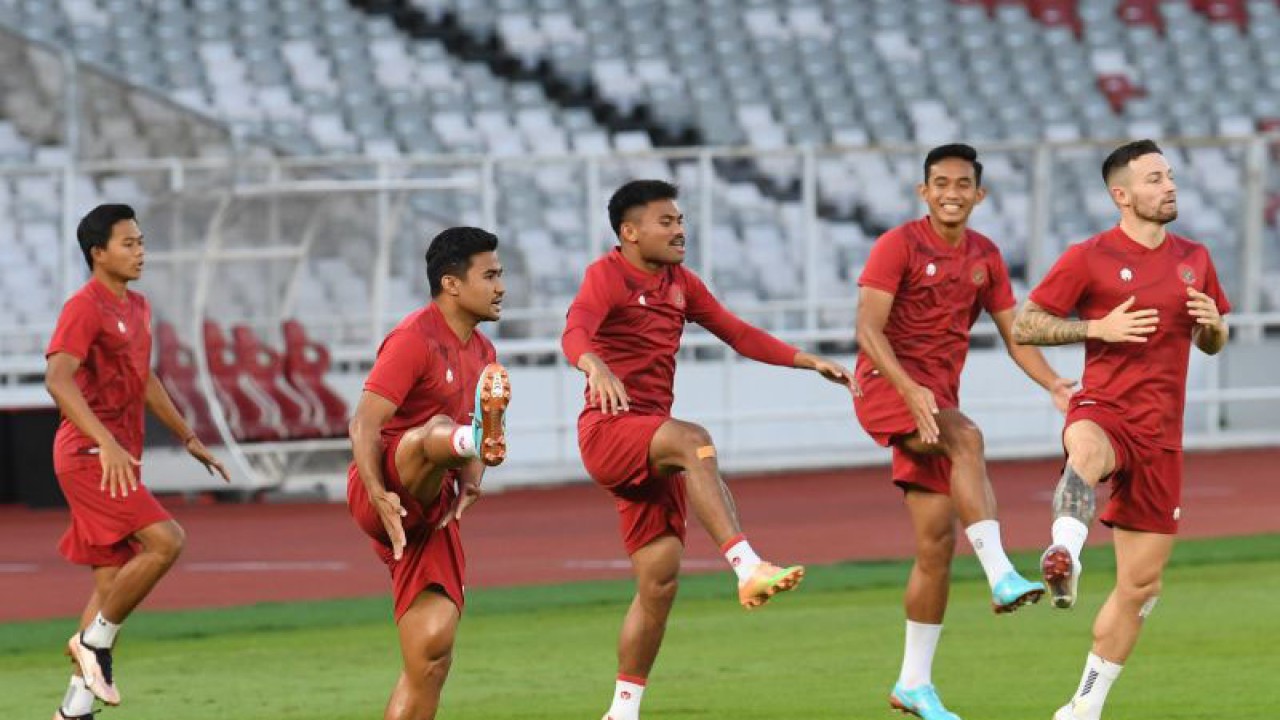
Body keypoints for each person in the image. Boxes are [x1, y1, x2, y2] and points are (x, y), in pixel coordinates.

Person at [561, 179, 855, 720]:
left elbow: (736, 332)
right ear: (629, 232)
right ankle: (747, 566)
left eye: (680, 221)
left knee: (660, 582)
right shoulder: (606, 276)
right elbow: (575, 330)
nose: (679, 230)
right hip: (610, 431)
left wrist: (805, 360)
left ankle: (621, 711)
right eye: (666, 222)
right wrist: (592, 364)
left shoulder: (682, 283)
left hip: (652, 443)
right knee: (694, 440)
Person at [853, 144, 1076, 720]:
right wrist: (907, 388)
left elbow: (1014, 333)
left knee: (935, 546)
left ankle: (913, 685)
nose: (951, 192)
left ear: (980, 194)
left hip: (937, 400)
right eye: (940, 182)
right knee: (968, 438)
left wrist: (1052, 383)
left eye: (963, 184)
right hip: (888, 386)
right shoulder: (897, 244)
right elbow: (867, 328)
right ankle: (1001, 572)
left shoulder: (986, 256)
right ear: (923, 192)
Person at [1012, 140, 1230, 720]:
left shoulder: (1196, 257)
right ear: (1122, 195)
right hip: (1106, 410)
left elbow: (1212, 341)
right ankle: (1067, 550)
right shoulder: (1089, 257)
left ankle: (1083, 707)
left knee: (1142, 587)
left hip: (1164, 436)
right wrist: (1097, 328)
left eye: (1170, 176)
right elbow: (1025, 324)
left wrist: (1212, 328)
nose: (1169, 186)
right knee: (1083, 449)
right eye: (1155, 178)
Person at [45, 204, 230, 720]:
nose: (140, 251)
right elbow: (58, 379)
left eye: (142, 242)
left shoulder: (140, 306)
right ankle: (91, 644)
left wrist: (187, 435)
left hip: (116, 456)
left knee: (111, 588)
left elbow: (142, 379)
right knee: (167, 540)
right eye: (128, 243)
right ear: (98, 253)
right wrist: (103, 440)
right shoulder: (83, 307)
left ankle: (73, 712)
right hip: (89, 456)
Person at [346, 226, 511, 720]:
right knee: (435, 429)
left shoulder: (484, 353)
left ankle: (466, 444)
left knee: (432, 654)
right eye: (491, 275)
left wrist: (474, 478)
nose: (501, 286)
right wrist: (377, 493)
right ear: (452, 284)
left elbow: (482, 419)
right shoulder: (412, 339)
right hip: (388, 483)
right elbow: (364, 425)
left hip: (432, 507)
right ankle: (463, 442)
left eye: (500, 274)